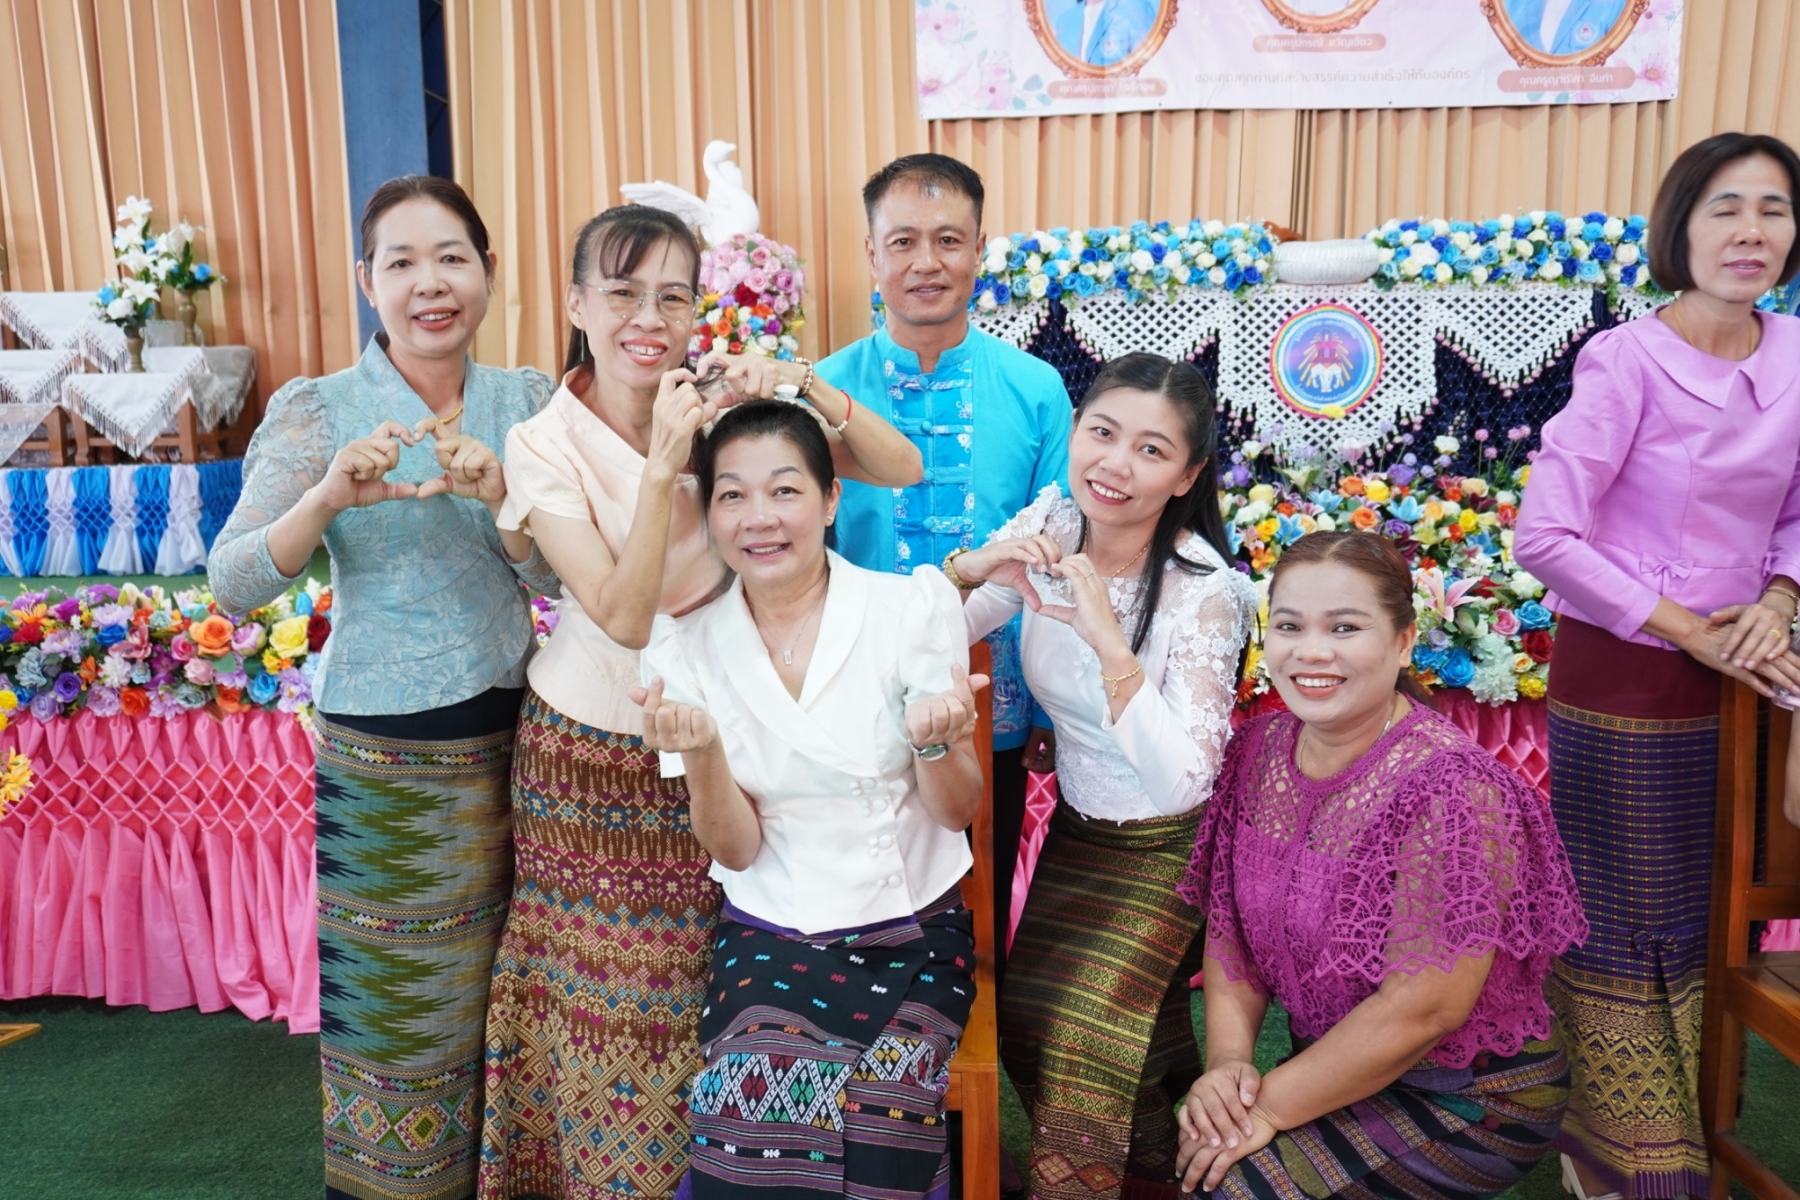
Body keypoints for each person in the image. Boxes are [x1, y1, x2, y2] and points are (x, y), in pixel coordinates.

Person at [477, 206, 922, 1199]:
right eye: (623, 292)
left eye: (672, 296)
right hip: (588, 758)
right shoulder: (541, 441)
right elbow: (623, 614)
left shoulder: (718, 407)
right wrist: (663, 466)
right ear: (577, 304)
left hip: (718, 743)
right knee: (593, 1002)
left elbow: (901, 467)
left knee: (699, 993)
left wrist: (795, 381)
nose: (650, 317)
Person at [209, 176, 560, 1200]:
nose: (429, 284)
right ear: (368, 281)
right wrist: (325, 498)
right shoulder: (318, 409)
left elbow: (558, 580)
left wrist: (507, 502)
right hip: (387, 762)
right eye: (401, 263)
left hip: (523, 748)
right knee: (401, 1027)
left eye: (451, 258)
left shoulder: (527, 402)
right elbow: (233, 581)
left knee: (509, 1019)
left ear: (488, 270)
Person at [1512, 131, 1800, 1200]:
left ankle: (1698, 1116)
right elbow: (1546, 537)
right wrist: (1689, 628)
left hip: (1752, 670)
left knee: (1717, 913)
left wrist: (1778, 600)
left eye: (1774, 209)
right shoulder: (1625, 360)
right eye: (1727, 208)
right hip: (1629, 673)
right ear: (1681, 227)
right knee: (1628, 918)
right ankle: (1620, 1144)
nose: (1751, 232)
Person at [628, 400, 984, 1198]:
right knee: (750, 1092)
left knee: (885, 1103)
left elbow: (957, 812)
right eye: (733, 495)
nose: (759, 518)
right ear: (710, 512)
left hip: (911, 924)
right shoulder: (684, 646)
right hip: (773, 924)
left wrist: (936, 742)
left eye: (785, 490)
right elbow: (736, 850)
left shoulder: (907, 608)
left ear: (829, 501)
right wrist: (702, 751)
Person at [1175, 531, 1588, 1199]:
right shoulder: (1257, 750)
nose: (1311, 651)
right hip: (1340, 1068)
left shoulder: (1453, 789)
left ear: (1403, 642)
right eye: (1289, 625)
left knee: (1230, 1185)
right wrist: (1228, 1067)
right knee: (1201, 1156)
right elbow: (1231, 934)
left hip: (1471, 1095)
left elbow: (1422, 1011)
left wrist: (1266, 1109)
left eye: (1344, 627)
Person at [949, 353, 1258, 1198]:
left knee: (1084, 1040)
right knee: (1029, 1025)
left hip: (1171, 845)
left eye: (1151, 450)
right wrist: (970, 569)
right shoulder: (1056, 518)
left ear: (1187, 475)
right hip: (1080, 831)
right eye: (1103, 432)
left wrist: (1107, 640)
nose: (1116, 464)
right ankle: (1164, 1178)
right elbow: (949, 624)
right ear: (1077, 432)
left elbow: (1183, 784)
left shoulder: (1206, 590)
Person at [816, 152, 1072, 984]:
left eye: (948, 240)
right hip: (849, 693)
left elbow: (1057, 551)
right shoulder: (824, 389)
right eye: (903, 242)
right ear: (871, 254)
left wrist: (1045, 707)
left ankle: (967, 1043)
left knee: (978, 910)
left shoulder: (1035, 389)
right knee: (859, 907)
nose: (926, 262)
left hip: (992, 696)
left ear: (979, 250)